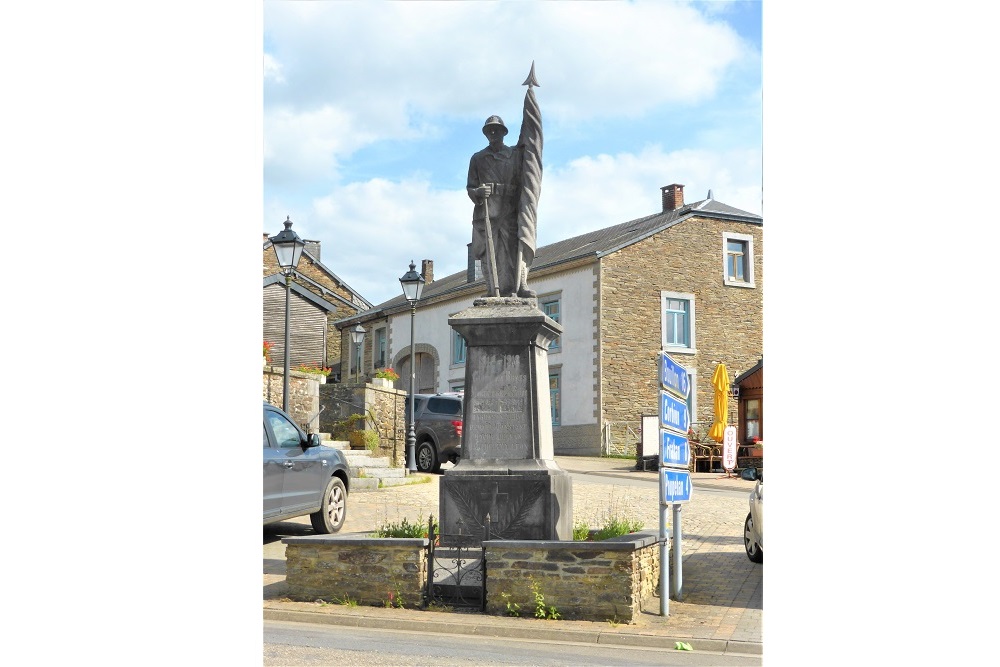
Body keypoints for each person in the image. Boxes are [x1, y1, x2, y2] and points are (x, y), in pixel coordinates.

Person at [467, 115, 536, 298]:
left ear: (503, 133)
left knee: (513, 249)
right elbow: (470, 187)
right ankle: (492, 289)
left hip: (510, 209)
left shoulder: (514, 155)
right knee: (490, 253)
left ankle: (518, 286)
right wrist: (478, 193)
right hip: (487, 212)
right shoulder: (478, 158)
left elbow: (525, 179)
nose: (493, 133)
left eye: (496, 130)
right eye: (489, 130)